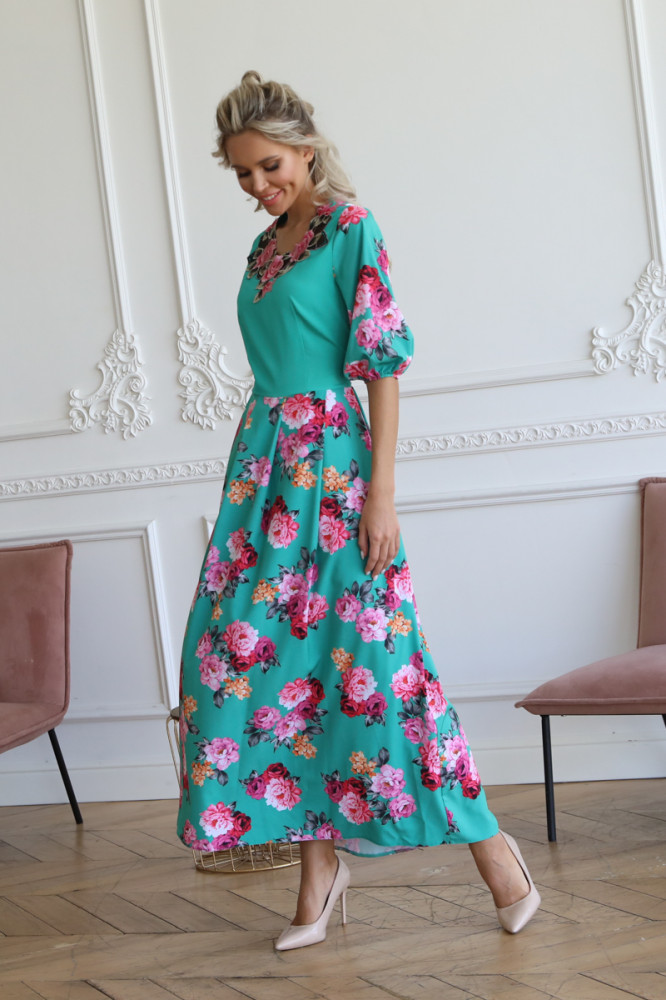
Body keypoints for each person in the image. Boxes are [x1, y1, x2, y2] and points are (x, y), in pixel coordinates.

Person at [176, 70, 540, 951]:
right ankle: (318, 871)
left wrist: (381, 496)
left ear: (304, 150)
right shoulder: (264, 248)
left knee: (378, 669)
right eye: (242, 174)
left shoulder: (350, 227)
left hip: (337, 478)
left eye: (269, 166)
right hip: (263, 478)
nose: (258, 185)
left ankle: (494, 850)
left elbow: (379, 367)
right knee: (252, 672)